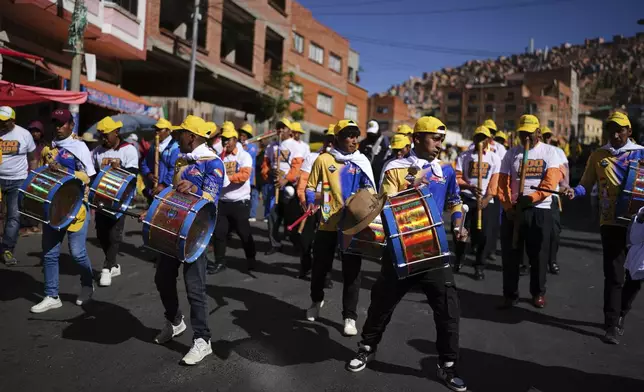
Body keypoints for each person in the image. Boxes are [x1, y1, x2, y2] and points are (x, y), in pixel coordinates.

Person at [347, 116, 468, 392]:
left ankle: (448, 366)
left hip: (434, 252)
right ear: (416, 138)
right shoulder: (395, 167)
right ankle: (366, 347)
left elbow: (455, 202)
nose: (439, 144)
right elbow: (388, 204)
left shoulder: (445, 171)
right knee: (381, 304)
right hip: (401, 250)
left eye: (442, 139)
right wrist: (415, 181)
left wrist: (460, 225)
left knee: (448, 310)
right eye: (434, 138)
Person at [562, 111, 644, 345]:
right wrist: (573, 191)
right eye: (611, 129)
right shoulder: (598, 156)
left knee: (636, 274)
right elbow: (585, 185)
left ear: (629, 131)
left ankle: (622, 312)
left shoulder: (640, 154)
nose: (615, 134)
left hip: (639, 223)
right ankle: (611, 323)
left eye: (620, 129)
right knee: (614, 274)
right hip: (610, 222)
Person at [153, 115, 227, 365]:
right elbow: (173, 192)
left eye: (181, 133)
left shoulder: (213, 163)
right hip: (172, 227)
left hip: (197, 233)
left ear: (192, 136)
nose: (177, 136)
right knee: (162, 278)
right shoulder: (180, 158)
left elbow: (212, 199)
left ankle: (202, 340)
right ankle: (175, 322)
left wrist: (196, 191)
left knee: (195, 287)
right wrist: (155, 209)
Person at [304, 119, 375, 336]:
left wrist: (360, 202)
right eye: (348, 135)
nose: (354, 140)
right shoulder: (324, 160)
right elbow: (309, 187)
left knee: (352, 274)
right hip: (327, 224)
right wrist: (312, 200)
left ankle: (349, 317)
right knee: (319, 270)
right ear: (337, 139)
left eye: (356, 135)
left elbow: (370, 191)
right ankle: (316, 301)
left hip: (351, 228)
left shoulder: (361, 161)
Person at [30, 109, 96, 313]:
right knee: (50, 254)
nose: (57, 127)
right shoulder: (49, 147)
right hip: (53, 206)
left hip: (76, 206)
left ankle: (87, 284)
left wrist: (64, 171)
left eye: (61, 123)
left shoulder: (80, 147)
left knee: (77, 253)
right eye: (55, 123)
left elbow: (87, 177)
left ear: (71, 124)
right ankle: (52, 295)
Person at [498, 115, 562, 309]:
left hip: (540, 210)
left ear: (538, 133)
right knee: (510, 255)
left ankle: (538, 292)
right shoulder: (511, 154)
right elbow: (502, 183)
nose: (525, 137)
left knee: (539, 255)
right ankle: (510, 294)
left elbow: (550, 182)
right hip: (516, 210)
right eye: (522, 133)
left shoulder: (550, 152)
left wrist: (532, 198)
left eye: (529, 133)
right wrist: (508, 207)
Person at [91, 116, 140, 287]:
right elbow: (92, 174)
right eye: (101, 135)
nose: (104, 138)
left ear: (117, 132)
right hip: (100, 198)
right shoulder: (97, 151)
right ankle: (113, 264)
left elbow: (133, 174)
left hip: (120, 199)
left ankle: (106, 267)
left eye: (107, 134)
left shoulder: (129, 150)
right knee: (101, 234)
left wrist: (120, 170)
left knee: (114, 233)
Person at [208, 123, 257, 274]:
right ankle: (220, 261)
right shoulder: (219, 155)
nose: (225, 143)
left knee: (243, 232)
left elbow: (244, 175)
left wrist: (226, 178)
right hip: (223, 201)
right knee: (219, 233)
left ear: (235, 139)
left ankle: (251, 259)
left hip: (239, 201)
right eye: (223, 140)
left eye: (228, 139)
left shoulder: (244, 155)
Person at [454, 125, 501, 279]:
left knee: (484, 234)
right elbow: (458, 177)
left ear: (488, 140)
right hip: (467, 197)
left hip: (486, 200)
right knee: (461, 231)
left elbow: (494, 182)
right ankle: (459, 258)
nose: (481, 140)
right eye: (478, 137)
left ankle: (479, 265)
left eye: (484, 138)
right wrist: (469, 186)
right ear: (474, 139)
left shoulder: (494, 158)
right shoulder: (464, 156)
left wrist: (487, 198)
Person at [296, 124, 335, 279]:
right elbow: (303, 182)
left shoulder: (342, 161)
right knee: (305, 239)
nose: (330, 143)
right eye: (328, 139)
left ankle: (326, 274)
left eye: (333, 139)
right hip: (311, 203)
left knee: (327, 243)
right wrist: (304, 201)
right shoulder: (312, 157)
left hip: (330, 207)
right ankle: (305, 267)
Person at [0, 106, 37, 266]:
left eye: (5, 121)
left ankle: (6, 249)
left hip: (18, 180)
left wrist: (32, 177)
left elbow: (32, 157)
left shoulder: (24, 134)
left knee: (14, 216)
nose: (2, 124)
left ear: (13, 120)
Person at [264, 118, 304, 255]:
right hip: (274, 186)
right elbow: (265, 165)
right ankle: (274, 244)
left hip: (289, 187)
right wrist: (269, 172)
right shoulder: (272, 146)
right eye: (279, 127)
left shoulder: (295, 146)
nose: (280, 130)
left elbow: (297, 167)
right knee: (272, 216)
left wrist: (285, 179)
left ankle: (298, 245)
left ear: (290, 131)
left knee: (291, 217)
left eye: (283, 127)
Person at [541, 126, 568, 274]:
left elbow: (565, 171)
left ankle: (552, 261)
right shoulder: (535, 151)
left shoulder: (558, 152)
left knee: (554, 232)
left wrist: (565, 186)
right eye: (544, 135)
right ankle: (528, 263)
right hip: (535, 197)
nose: (546, 138)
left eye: (548, 136)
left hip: (553, 196)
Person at [141, 118, 180, 204]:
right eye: (156, 129)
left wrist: (163, 185)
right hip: (153, 190)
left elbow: (175, 169)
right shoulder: (153, 146)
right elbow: (144, 164)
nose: (156, 132)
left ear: (168, 131)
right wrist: (149, 174)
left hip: (167, 191)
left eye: (160, 129)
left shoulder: (175, 148)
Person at [21, 120, 47, 236]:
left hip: (39, 177)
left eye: (37, 131)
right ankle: (25, 226)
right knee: (23, 201)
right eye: (32, 131)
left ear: (41, 133)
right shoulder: (24, 144)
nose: (34, 134)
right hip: (23, 176)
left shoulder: (44, 147)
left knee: (36, 202)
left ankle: (34, 225)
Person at [238, 124, 259, 222]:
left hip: (250, 176)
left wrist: (243, 148)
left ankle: (252, 214)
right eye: (241, 135)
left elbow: (249, 153)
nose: (241, 137)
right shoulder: (239, 145)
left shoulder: (252, 147)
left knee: (252, 196)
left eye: (244, 136)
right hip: (240, 174)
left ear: (248, 137)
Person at [359, 120, 389, 186]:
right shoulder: (363, 143)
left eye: (373, 133)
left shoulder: (385, 142)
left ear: (378, 131)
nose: (372, 135)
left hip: (379, 175)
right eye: (370, 133)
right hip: (365, 174)